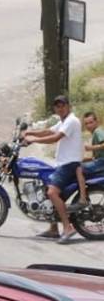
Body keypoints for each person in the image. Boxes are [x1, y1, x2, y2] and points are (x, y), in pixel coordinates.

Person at [23, 95, 80, 243]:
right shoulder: (63, 121)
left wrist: (33, 140)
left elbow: (55, 138)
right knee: (45, 186)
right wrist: (30, 133)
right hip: (62, 164)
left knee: (52, 192)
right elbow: (48, 131)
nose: (60, 108)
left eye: (62, 105)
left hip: (69, 164)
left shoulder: (72, 121)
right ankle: (54, 228)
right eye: (57, 106)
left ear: (69, 106)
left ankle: (68, 228)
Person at [73, 111, 104, 208]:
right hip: (100, 161)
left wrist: (91, 148)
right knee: (79, 164)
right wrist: (84, 159)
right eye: (86, 123)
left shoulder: (98, 131)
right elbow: (98, 154)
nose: (88, 125)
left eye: (91, 122)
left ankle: (83, 197)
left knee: (78, 169)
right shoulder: (96, 133)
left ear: (96, 122)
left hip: (102, 162)